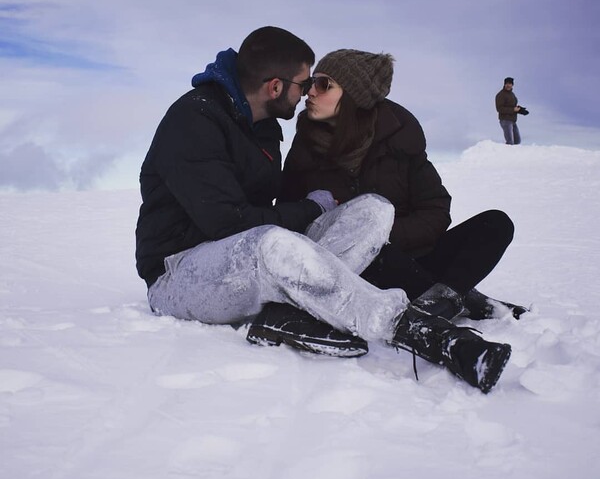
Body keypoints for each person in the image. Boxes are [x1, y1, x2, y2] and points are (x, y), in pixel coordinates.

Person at [135, 29, 511, 394]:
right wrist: (312, 207)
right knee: (271, 244)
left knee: (374, 210)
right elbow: (229, 224)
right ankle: (422, 332)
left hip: (249, 263)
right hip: (179, 272)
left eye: (318, 84)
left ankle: (287, 314)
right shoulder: (194, 120)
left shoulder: (261, 126)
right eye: (303, 83)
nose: (306, 93)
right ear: (276, 86)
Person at [495, 76, 529, 144]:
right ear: (504, 84)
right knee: (510, 142)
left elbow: (513, 107)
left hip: (512, 120)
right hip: (505, 120)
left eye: (510, 83)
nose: (508, 85)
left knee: (517, 141)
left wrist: (521, 110)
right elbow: (499, 109)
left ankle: (515, 154)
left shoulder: (512, 94)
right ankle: (504, 154)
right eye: (507, 83)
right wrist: (513, 109)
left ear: (512, 85)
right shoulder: (501, 95)